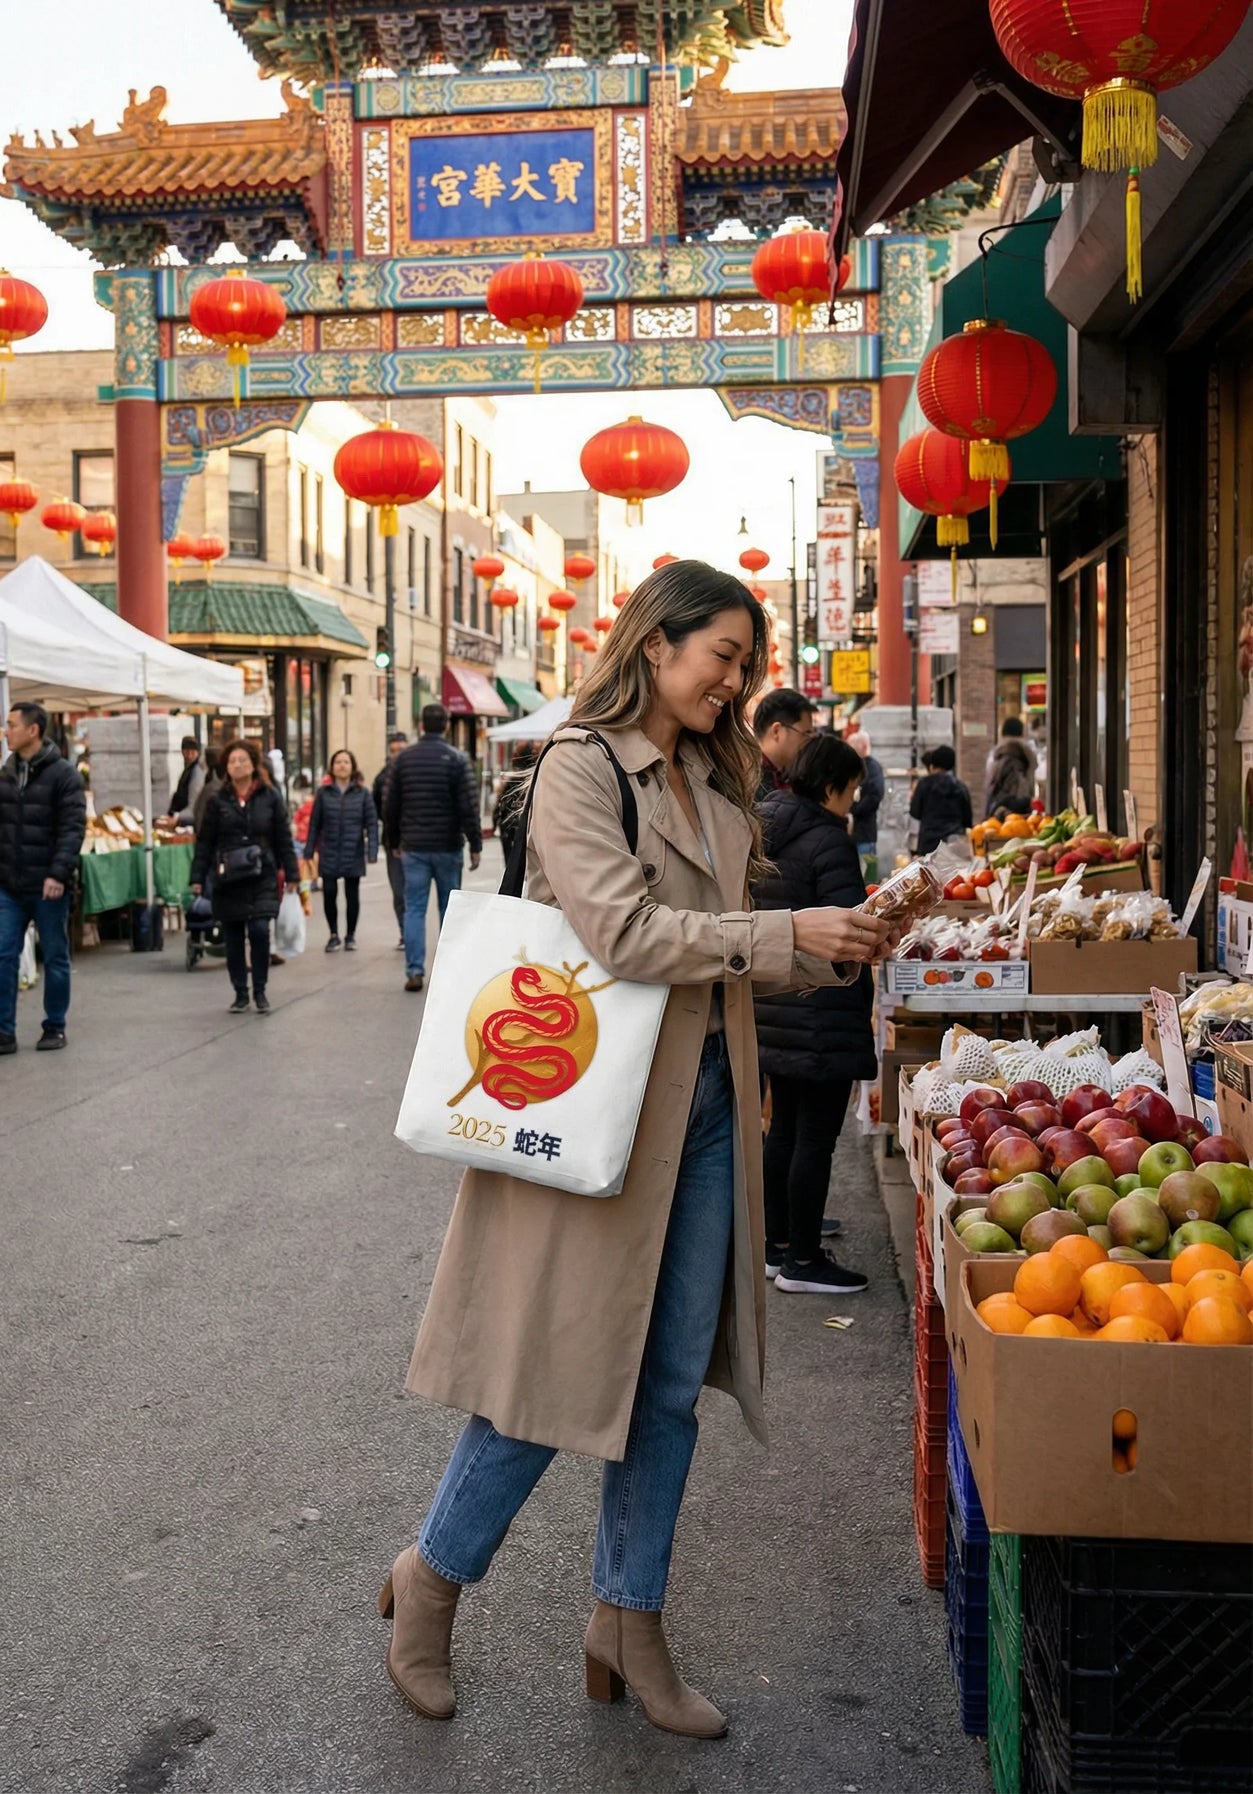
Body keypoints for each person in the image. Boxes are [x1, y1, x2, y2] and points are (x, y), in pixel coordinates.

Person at [381, 561, 889, 1736]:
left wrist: (840, 943)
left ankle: (628, 1624)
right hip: (596, 1107)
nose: (735, 681)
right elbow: (617, 930)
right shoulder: (577, 765)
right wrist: (781, 929)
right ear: (654, 645)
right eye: (721, 655)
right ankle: (430, 1584)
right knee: (548, 1375)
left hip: (710, 1104)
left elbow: (729, 941)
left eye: (745, 664)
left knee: (668, 1384)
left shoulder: (718, 778)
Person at [754, 734, 878, 1294]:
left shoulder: (765, 825)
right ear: (831, 786)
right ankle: (803, 1260)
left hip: (776, 998)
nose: (852, 800)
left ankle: (774, 1245)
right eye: (851, 789)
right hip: (823, 1005)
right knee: (815, 1139)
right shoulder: (827, 838)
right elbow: (850, 927)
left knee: (783, 1128)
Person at [0, 703, 87, 1057]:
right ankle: (1, 1031)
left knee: (54, 955)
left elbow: (72, 829)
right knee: (3, 955)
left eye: (10, 725)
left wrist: (58, 874)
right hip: (9, 884)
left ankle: (54, 1026)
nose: (5, 732)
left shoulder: (64, 775)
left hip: (47, 885)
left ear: (32, 730)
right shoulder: (6, 774)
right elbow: (0, 830)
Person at [190, 737, 297, 1015]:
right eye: (232, 761)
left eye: (243, 760)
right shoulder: (217, 800)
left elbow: (283, 837)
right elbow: (205, 842)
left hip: (262, 873)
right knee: (234, 935)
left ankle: (260, 990)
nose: (238, 765)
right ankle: (240, 993)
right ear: (226, 766)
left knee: (260, 931)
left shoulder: (270, 796)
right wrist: (198, 877)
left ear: (253, 764)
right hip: (228, 877)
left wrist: (293, 872)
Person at [382, 703, 482, 994]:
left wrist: (393, 840)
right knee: (449, 909)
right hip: (448, 846)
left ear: (422, 726)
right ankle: (448, 970)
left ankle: (414, 969)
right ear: (447, 726)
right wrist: (474, 843)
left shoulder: (404, 760)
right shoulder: (456, 759)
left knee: (414, 907)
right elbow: (469, 806)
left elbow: (391, 805)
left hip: (413, 846)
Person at [306, 749, 379, 952]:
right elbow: (314, 824)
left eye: (346, 762)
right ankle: (333, 934)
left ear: (352, 766)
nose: (342, 765)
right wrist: (309, 850)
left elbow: (371, 824)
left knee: (352, 895)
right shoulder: (323, 793)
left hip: (353, 851)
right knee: (329, 893)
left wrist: (372, 850)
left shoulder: (363, 793)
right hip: (329, 850)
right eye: (338, 762)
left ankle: (350, 935)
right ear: (332, 767)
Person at [372, 733, 409, 948]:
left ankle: (411, 932)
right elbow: (378, 808)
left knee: (413, 893)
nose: (397, 754)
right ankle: (405, 931)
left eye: (401, 749)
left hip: (415, 841)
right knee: (398, 890)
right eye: (394, 750)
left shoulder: (416, 774)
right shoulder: (382, 777)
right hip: (392, 841)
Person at [752, 688, 815, 802]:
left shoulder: (783, 775)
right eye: (806, 734)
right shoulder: (749, 781)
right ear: (777, 731)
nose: (809, 742)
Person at [910, 744, 973, 854]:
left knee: (928, 871)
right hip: (954, 842)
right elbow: (967, 820)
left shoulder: (924, 785)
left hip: (929, 843)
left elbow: (915, 812)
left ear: (932, 765)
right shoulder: (960, 787)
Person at [492, 742, 537, 873]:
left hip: (509, 826)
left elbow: (501, 802)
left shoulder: (511, 778)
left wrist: (495, 822)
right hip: (528, 827)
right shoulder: (535, 777)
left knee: (510, 864)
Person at [847, 727, 884, 881]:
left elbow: (874, 796)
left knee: (865, 877)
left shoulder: (872, 768)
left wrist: (852, 809)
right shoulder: (854, 767)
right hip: (852, 833)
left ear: (862, 747)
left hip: (864, 833)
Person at [983, 715, 1037, 817]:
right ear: (1021, 734)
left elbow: (991, 788)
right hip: (1022, 812)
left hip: (1001, 812)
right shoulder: (1027, 755)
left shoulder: (997, 755)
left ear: (1002, 734)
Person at [158, 735, 205, 829]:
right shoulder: (189, 768)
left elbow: (194, 801)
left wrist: (177, 817)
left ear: (197, 752)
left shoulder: (196, 771)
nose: (189, 755)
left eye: (192, 752)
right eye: (186, 751)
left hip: (187, 821)